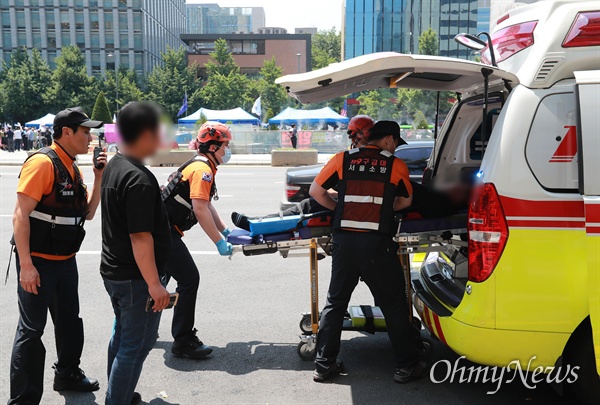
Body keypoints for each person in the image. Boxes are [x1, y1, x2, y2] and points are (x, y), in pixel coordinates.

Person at [308, 120, 428, 384]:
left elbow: (315, 191)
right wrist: (384, 208)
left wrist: (338, 209)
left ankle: (324, 365)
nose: (396, 148)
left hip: (344, 241)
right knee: (393, 304)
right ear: (387, 140)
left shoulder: (342, 159)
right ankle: (406, 366)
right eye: (396, 142)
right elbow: (406, 200)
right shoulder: (394, 165)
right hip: (377, 244)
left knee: (336, 303)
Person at [9, 107, 106, 404]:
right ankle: (24, 400)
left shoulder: (72, 166)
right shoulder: (43, 163)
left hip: (65, 261)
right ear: (67, 132)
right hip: (38, 262)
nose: (90, 137)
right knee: (31, 331)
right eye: (85, 131)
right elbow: (20, 216)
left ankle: (67, 373)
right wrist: (26, 266)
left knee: (69, 322)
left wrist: (98, 176)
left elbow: (87, 214)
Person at [100, 101, 172, 405]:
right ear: (143, 133)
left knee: (122, 339)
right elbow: (140, 238)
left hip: (115, 273)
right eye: (157, 131)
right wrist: (155, 285)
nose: (160, 138)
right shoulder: (139, 179)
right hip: (136, 279)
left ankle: (120, 395)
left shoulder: (115, 165)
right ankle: (118, 400)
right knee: (136, 345)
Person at [161, 121, 233, 359]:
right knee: (189, 279)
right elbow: (200, 209)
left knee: (156, 282)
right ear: (212, 147)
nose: (227, 150)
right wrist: (218, 243)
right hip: (163, 232)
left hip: (161, 229)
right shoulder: (202, 170)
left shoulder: (202, 165)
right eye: (225, 145)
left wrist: (225, 231)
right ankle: (182, 341)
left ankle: (133, 328)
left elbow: (207, 204)